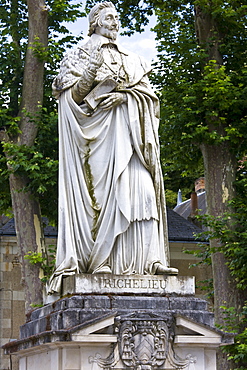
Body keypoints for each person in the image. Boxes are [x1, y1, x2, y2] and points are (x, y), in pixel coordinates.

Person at [48, 1, 177, 294]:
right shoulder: (78, 54)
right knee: (107, 198)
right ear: (94, 21)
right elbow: (72, 100)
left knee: (143, 192)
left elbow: (150, 100)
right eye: (109, 17)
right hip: (98, 143)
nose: (115, 22)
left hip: (132, 138)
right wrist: (90, 74)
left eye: (117, 18)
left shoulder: (133, 58)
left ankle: (150, 260)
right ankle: (102, 261)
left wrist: (125, 98)